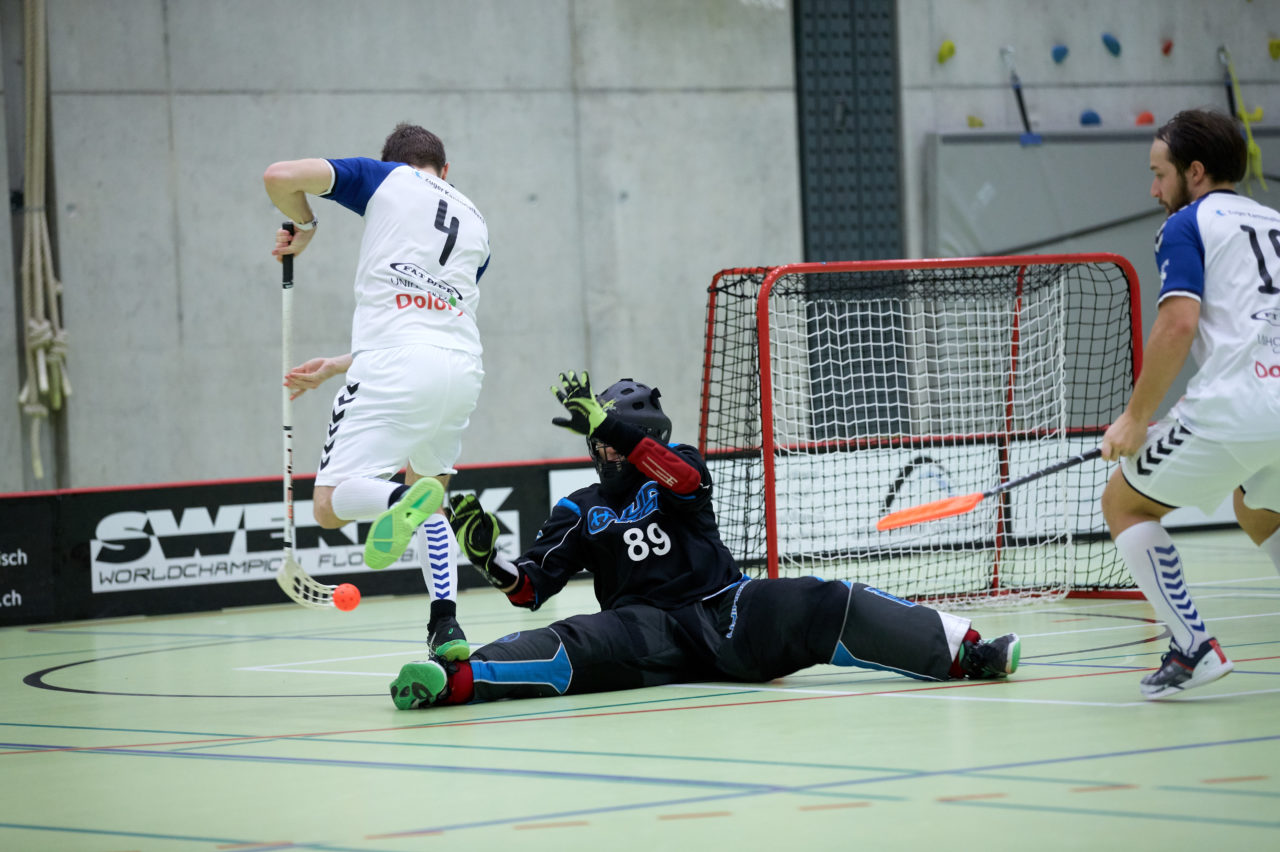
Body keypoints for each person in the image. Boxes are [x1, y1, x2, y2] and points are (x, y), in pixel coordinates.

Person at [388, 370, 1021, 710]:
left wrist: (615, 425)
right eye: (598, 440)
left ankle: (967, 652)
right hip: (643, 629)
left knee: (826, 599)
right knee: (569, 641)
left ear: (645, 435)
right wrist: (486, 558)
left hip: (728, 611)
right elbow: (528, 591)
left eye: (614, 437)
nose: (604, 448)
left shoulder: (677, 466)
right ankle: (455, 682)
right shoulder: (576, 509)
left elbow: (685, 478)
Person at [264, 123, 491, 660]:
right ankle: (446, 626)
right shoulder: (477, 222)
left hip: (394, 364)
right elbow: (434, 314)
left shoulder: (385, 178)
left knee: (327, 506)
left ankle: (396, 499)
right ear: (446, 170)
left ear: (392, 161)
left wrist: (306, 223)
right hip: (461, 369)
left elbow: (280, 177)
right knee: (429, 488)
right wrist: (339, 366)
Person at [1100, 108, 1280, 699]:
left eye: (1159, 173)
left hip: (1238, 409)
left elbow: (1178, 326)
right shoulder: (1273, 220)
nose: (1153, 189)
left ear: (1194, 171)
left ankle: (1193, 647)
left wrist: (1133, 418)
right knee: (1259, 509)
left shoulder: (1186, 223)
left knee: (1125, 503)